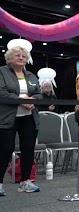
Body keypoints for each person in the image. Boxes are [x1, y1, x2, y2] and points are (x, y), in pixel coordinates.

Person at [0, 39, 42, 196]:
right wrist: (21, 100)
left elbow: (38, 93)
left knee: (28, 149)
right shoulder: (2, 72)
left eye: (24, 56)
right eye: (17, 55)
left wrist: (33, 101)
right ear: (9, 58)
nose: (21, 57)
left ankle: (25, 182)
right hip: (7, 117)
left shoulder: (30, 75)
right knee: (5, 149)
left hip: (28, 117)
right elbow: (2, 92)